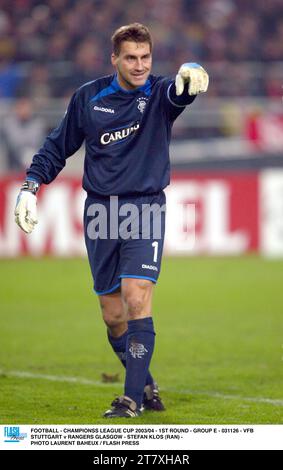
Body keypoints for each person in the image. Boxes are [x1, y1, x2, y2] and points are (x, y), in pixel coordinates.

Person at [14, 23, 209, 418]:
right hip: (101, 211)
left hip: (145, 207)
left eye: (146, 58)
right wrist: (30, 187)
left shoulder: (158, 93)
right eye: (131, 58)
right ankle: (147, 385)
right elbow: (57, 146)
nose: (139, 66)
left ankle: (130, 399)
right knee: (112, 313)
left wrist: (191, 72)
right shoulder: (88, 97)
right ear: (114, 59)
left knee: (137, 296)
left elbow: (181, 89)